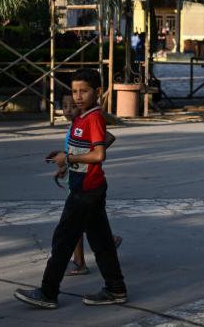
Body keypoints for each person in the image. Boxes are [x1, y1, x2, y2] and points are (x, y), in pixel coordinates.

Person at [15, 68, 127, 310]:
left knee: (63, 239)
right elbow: (86, 148)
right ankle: (116, 289)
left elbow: (99, 154)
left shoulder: (94, 117)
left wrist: (68, 158)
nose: (78, 96)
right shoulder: (82, 116)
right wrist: (66, 161)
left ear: (97, 92)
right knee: (102, 242)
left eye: (84, 91)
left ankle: (48, 292)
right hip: (87, 187)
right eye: (75, 91)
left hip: (86, 191)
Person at [60, 92, 123, 277]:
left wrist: (88, 156)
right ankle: (108, 242)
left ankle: (79, 262)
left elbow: (108, 139)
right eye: (65, 107)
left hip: (86, 181)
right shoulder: (75, 125)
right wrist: (67, 164)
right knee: (87, 221)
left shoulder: (88, 121)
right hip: (76, 177)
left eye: (73, 106)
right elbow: (72, 151)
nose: (68, 110)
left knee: (75, 223)